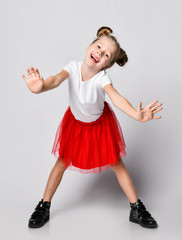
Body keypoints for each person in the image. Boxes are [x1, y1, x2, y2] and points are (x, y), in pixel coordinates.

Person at [22, 26, 163, 229]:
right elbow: (55, 80)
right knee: (61, 162)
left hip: (100, 126)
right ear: (89, 46)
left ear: (108, 64)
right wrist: (41, 87)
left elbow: (116, 98)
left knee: (117, 164)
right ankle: (44, 205)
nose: (100, 53)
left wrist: (136, 115)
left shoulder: (102, 78)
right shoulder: (72, 67)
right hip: (76, 125)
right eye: (98, 47)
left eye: (106, 55)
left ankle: (137, 207)